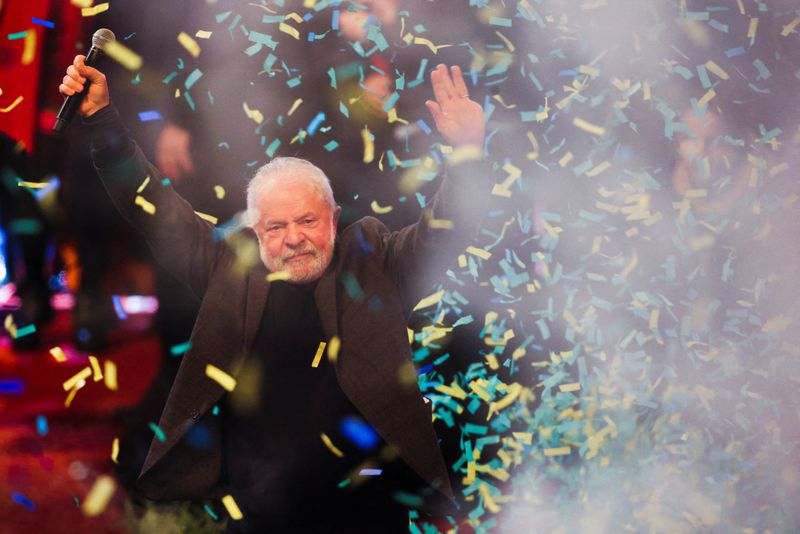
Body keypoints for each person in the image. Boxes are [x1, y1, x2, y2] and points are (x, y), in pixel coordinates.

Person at [60, 53, 490, 532]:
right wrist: (102, 120)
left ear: (332, 219)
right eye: (276, 226)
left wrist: (468, 155)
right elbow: (153, 207)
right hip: (256, 502)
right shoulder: (229, 265)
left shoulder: (374, 260)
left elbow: (445, 232)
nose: (294, 237)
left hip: (369, 498)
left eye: (308, 221)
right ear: (256, 233)